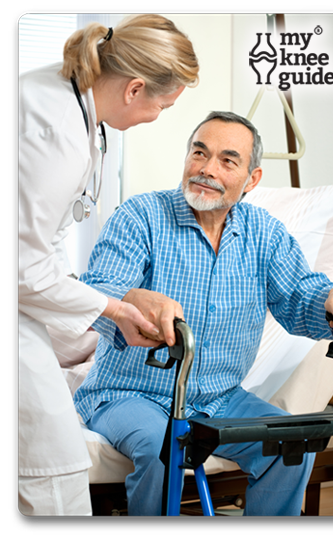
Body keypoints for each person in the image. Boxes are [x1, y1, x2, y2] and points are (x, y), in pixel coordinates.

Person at [74, 111, 333, 516]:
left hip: (221, 399)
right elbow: (96, 291)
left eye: (227, 160)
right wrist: (133, 298)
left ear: (251, 180)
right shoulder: (141, 216)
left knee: (290, 448)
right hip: (130, 394)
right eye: (199, 152)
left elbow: (299, 294)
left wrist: (331, 304)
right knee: (162, 448)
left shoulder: (265, 233)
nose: (206, 169)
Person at [18, 14, 199, 516]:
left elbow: (37, 246)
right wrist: (115, 309)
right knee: (54, 469)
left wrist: (97, 315)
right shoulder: (56, 130)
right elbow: (24, 268)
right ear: (135, 88)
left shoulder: (69, 108)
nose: (157, 117)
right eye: (161, 106)